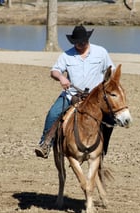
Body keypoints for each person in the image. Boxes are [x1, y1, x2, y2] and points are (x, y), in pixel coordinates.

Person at [35, 25, 115, 159]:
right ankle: (45, 143)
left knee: (111, 119)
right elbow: (54, 71)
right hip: (72, 95)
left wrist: (108, 83)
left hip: (95, 98)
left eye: (83, 42)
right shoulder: (66, 55)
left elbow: (111, 70)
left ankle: (103, 148)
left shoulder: (101, 52)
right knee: (53, 113)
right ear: (73, 42)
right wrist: (61, 77)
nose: (80, 45)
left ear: (87, 40)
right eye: (77, 43)